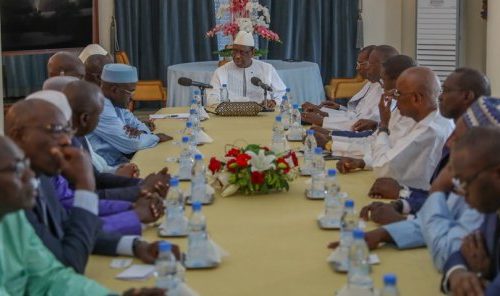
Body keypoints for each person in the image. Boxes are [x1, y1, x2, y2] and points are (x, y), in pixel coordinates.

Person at [328, 97, 499, 273]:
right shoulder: (475, 177)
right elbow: (442, 219)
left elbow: (446, 245)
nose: (449, 142)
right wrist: (385, 233)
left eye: (458, 137)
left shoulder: (477, 183)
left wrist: (436, 190)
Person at [5, 98, 175, 274]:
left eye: (67, 130)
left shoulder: (41, 179)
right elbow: (69, 260)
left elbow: (66, 226)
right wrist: (84, 186)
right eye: (55, 130)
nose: (66, 140)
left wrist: (134, 246)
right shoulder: (11, 195)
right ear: (18, 135)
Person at [0, 135, 165, 295]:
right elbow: (70, 259)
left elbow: (49, 278)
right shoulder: (17, 205)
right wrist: (85, 185)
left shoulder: (12, 217)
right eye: (16, 169)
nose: (29, 176)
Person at [362, 68, 491, 219]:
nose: (440, 96)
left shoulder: (438, 130)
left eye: (446, 91)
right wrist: (404, 200)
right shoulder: (443, 125)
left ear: (466, 96)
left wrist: (402, 217)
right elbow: (441, 198)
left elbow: (457, 217)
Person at [336, 67, 454, 191]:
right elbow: (395, 154)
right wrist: (363, 162)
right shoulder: (430, 118)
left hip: (416, 200)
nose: (395, 100)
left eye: (398, 94)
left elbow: (383, 169)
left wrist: (383, 126)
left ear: (416, 98)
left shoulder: (429, 130)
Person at [312, 55, 417, 158]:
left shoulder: (408, 113)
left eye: (384, 80)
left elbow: (384, 152)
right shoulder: (392, 98)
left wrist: (329, 141)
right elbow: (371, 138)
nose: (383, 85)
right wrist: (330, 136)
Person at [441, 126, 500, 295]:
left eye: (465, 182)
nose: (462, 193)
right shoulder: (492, 210)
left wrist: (482, 275)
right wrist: (458, 273)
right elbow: (463, 252)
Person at [87, 63, 172, 166]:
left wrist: (141, 133)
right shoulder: (99, 107)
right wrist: (157, 137)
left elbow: (137, 124)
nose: (132, 97)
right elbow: (131, 143)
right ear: (114, 89)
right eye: (130, 92)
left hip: (121, 160)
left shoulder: (116, 102)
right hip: (107, 168)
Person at [301, 45, 398, 131]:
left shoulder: (389, 94)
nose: (366, 68)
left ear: (384, 65)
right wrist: (324, 112)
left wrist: (323, 121)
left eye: (369, 64)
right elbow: (356, 114)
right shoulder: (374, 84)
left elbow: (362, 126)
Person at [207, 30, 286, 107]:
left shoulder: (266, 69)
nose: (237, 56)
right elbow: (211, 98)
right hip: (231, 115)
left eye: (242, 52)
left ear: (253, 52)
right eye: (234, 51)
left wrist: (274, 102)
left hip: (261, 114)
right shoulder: (221, 71)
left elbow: (281, 91)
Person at [301, 45, 375, 120]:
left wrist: (322, 115)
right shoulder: (371, 83)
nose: (357, 68)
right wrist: (339, 107)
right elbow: (355, 113)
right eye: (357, 64)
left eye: (360, 64)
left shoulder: (381, 91)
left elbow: (358, 121)